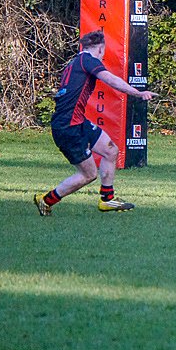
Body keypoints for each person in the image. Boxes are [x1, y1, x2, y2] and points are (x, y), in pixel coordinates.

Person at [34, 30, 157, 216]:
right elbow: (110, 79)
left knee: (110, 150)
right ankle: (46, 200)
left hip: (77, 122)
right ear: (100, 49)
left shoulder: (77, 61)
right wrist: (138, 93)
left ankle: (107, 200)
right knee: (88, 174)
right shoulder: (88, 60)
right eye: (103, 51)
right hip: (68, 127)